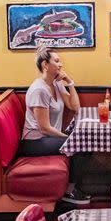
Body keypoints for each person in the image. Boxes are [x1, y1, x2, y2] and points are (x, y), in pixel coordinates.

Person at [19, 45, 91, 204]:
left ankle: (71, 188)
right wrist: (69, 138)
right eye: (57, 61)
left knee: (83, 142)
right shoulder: (39, 90)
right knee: (81, 145)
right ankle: (69, 191)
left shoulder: (56, 84)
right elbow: (44, 128)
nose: (60, 65)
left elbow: (74, 107)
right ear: (45, 65)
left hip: (48, 137)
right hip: (34, 141)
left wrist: (70, 82)